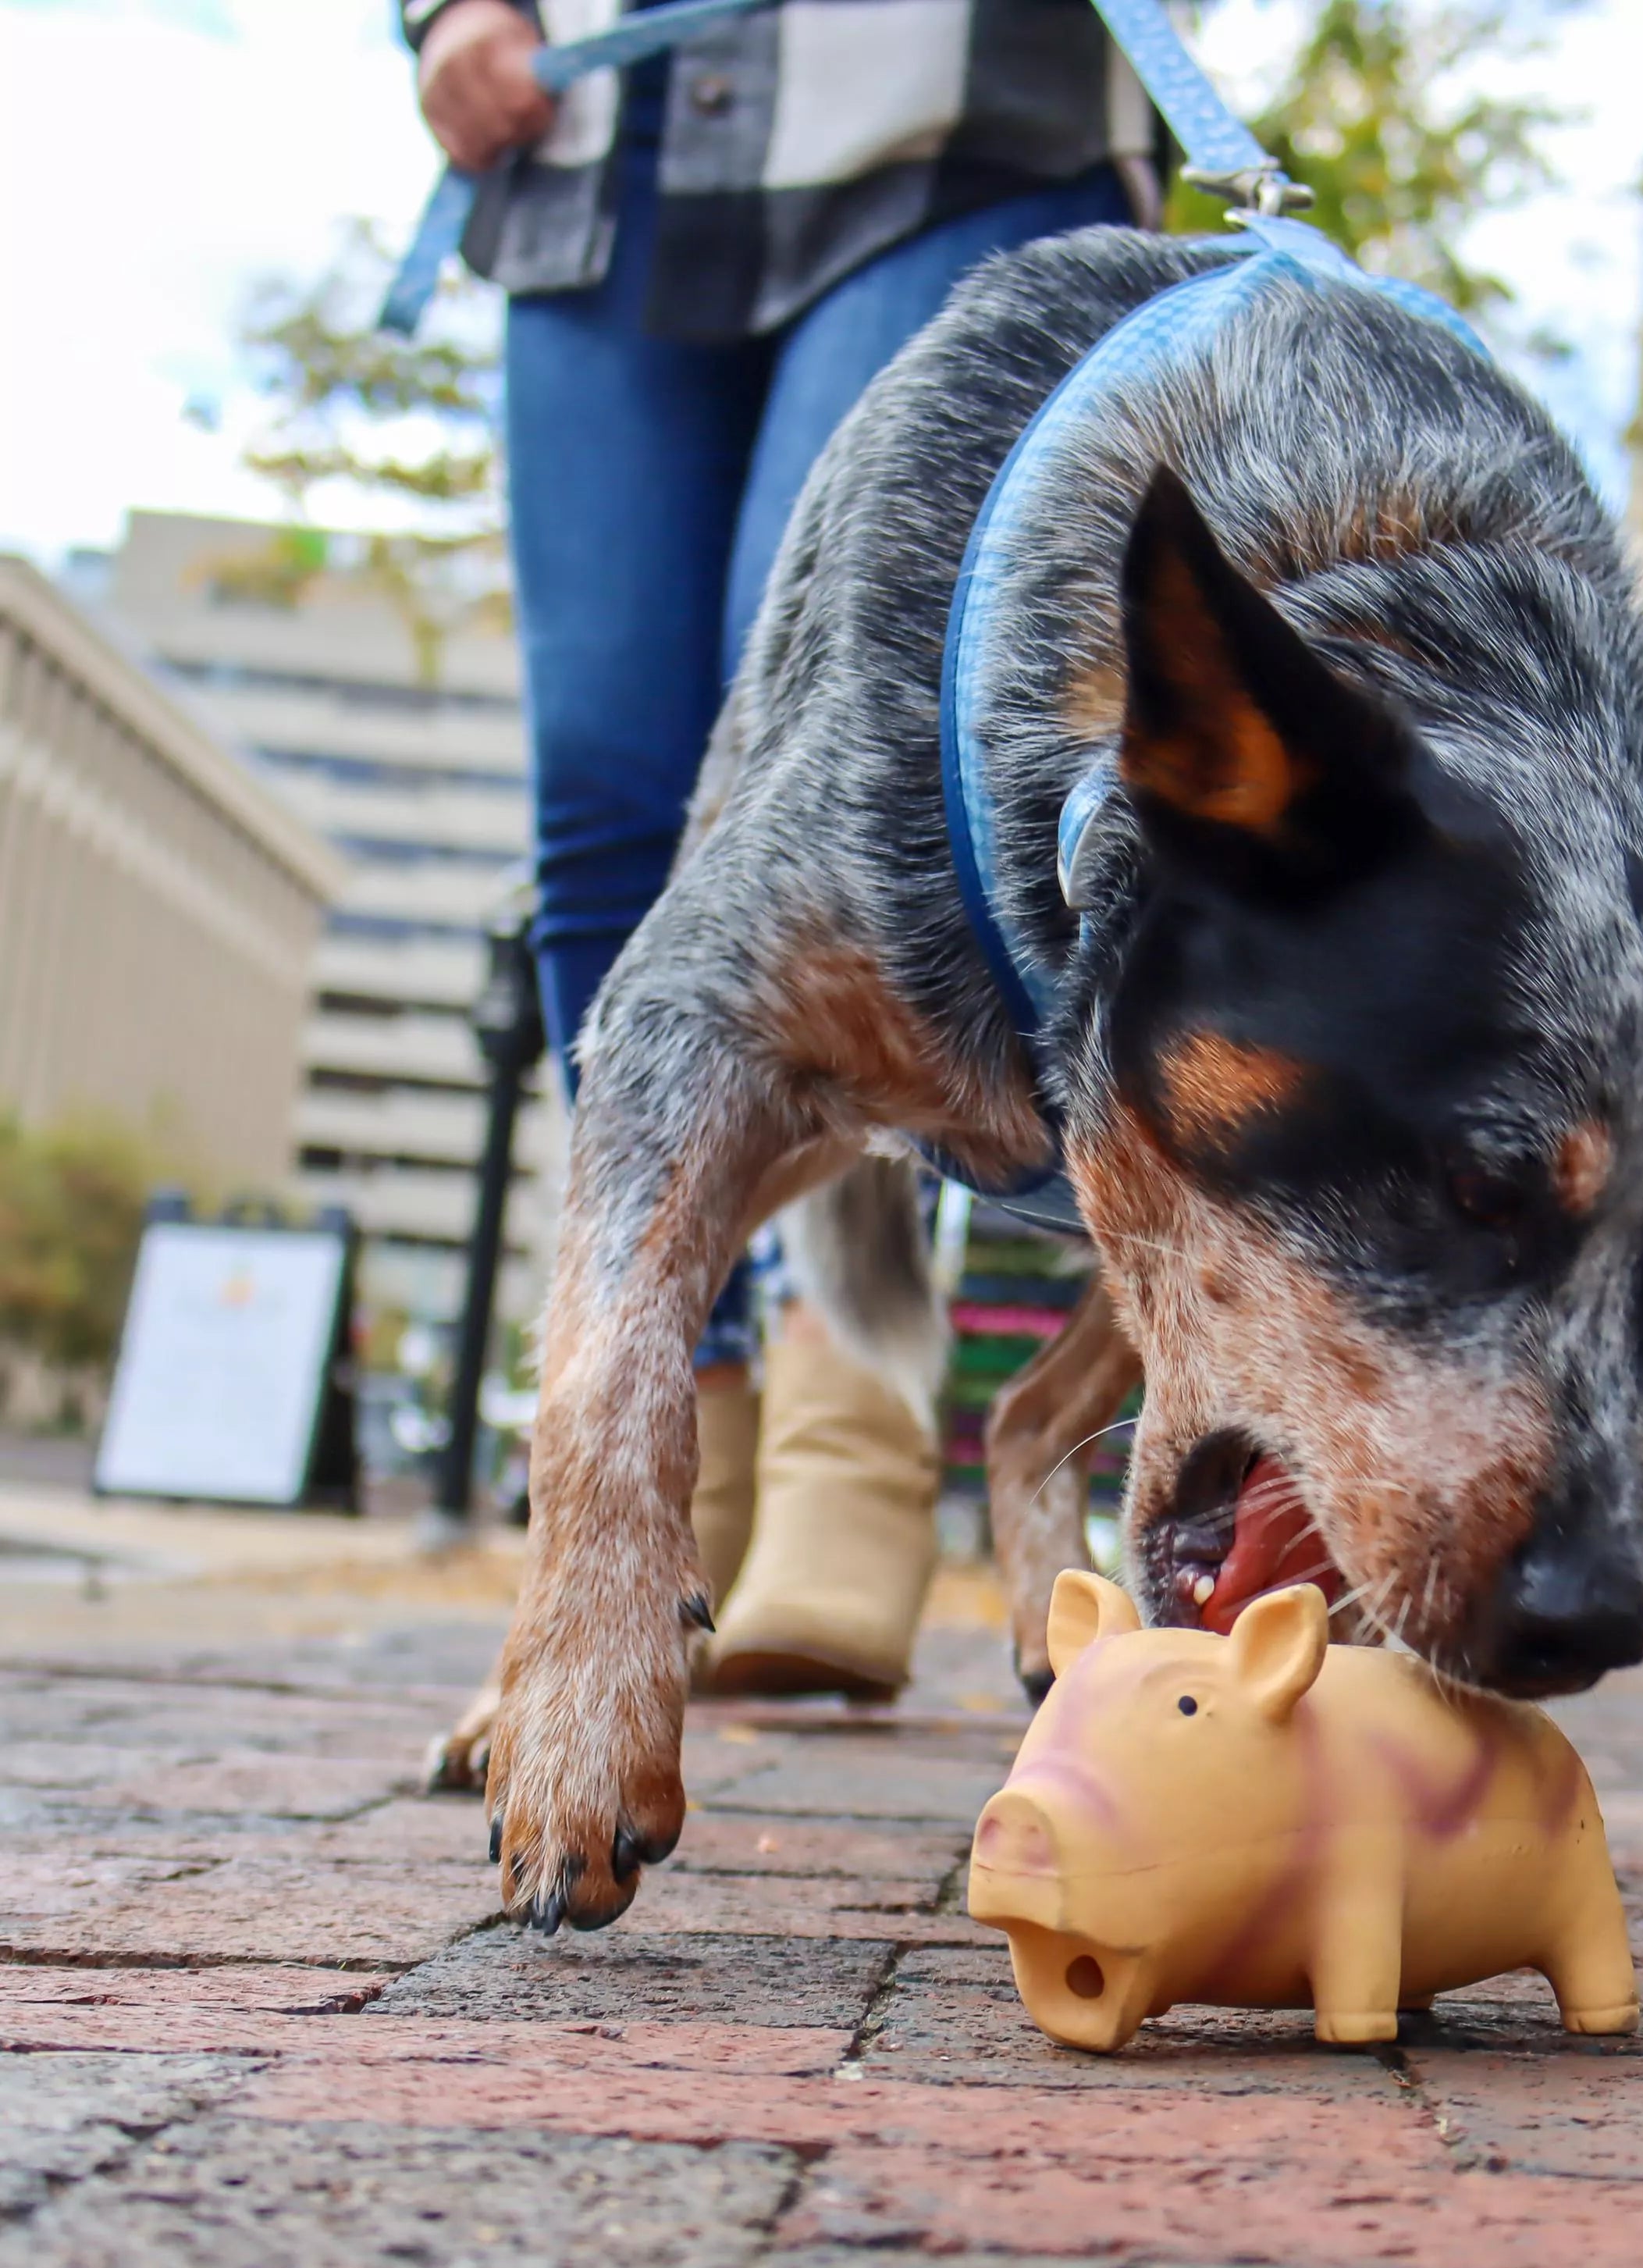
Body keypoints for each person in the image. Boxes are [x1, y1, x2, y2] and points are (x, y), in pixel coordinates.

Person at [404, 0, 1153, 1696]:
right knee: (606, 784)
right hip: (604, 153)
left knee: (839, 752)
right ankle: (666, 1465)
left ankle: (852, 1443)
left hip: (951, 130)